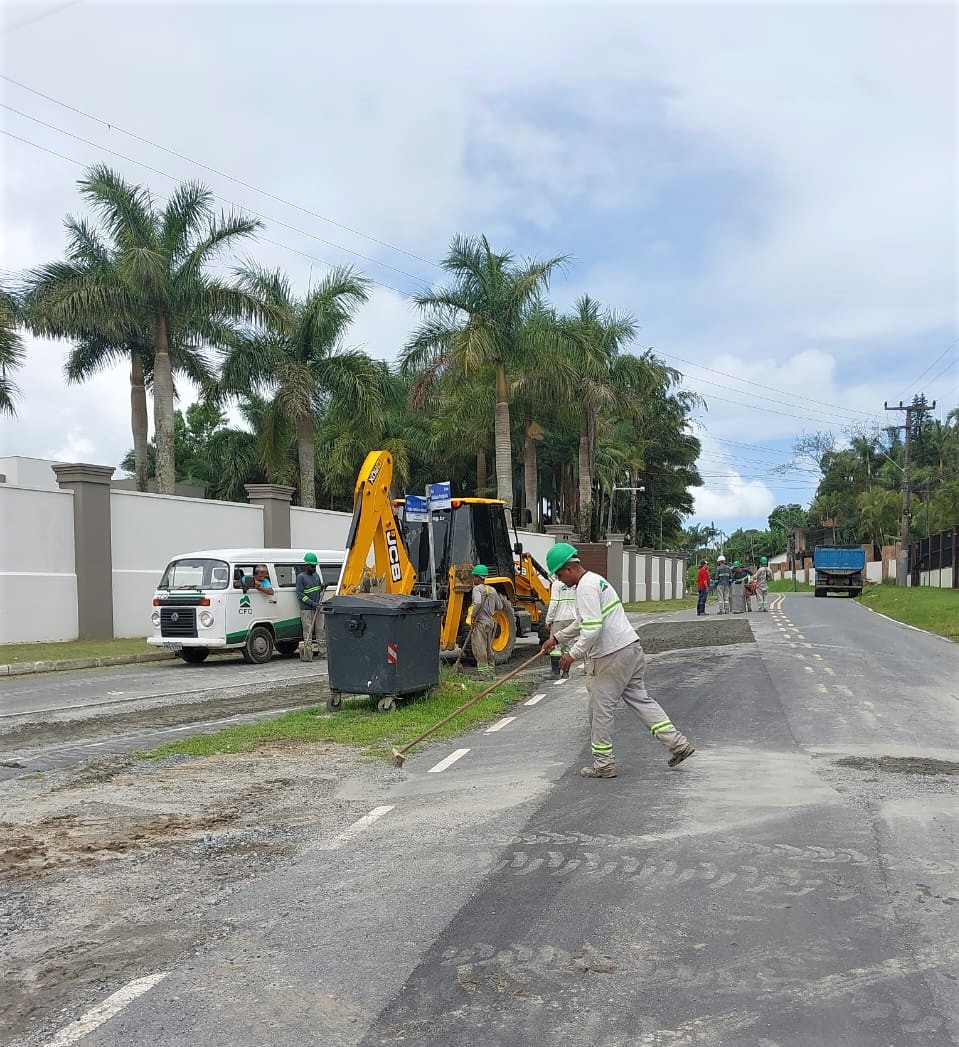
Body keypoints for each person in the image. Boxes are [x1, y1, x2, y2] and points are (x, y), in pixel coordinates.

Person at [540, 543, 695, 778]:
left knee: (599, 711)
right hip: (631, 650)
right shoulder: (595, 581)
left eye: (560, 575)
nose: (561, 581)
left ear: (569, 569)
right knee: (641, 701)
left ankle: (603, 765)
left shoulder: (585, 588)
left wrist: (572, 655)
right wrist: (557, 638)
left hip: (611, 656)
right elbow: (583, 622)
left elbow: (591, 630)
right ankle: (678, 744)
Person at [468, 565, 498, 675]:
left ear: (477, 577)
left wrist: (473, 618)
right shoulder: (492, 590)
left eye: (473, 577)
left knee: (479, 647)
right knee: (489, 648)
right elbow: (499, 606)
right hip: (490, 623)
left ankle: (484, 674)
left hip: (480, 622)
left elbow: (477, 602)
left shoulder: (476, 589)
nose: (472, 579)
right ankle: (491, 672)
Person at [545, 574, 577, 674]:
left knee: (555, 647)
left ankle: (555, 672)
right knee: (568, 646)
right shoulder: (574, 584)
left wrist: (548, 619)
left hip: (559, 618)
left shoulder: (556, 584)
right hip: (572, 617)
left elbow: (554, 603)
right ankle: (566, 673)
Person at [296, 552, 326, 654]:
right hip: (307, 609)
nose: (314, 568)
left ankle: (323, 652)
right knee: (308, 630)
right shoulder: (301, 577)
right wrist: (312, 603)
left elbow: (318, 589)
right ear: (307, 565)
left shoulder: (316, 576)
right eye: (312, 566)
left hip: (317, 608)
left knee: (320, 630)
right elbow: (300, 594)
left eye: (315, 566)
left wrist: (322, 586)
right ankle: (307, 653)